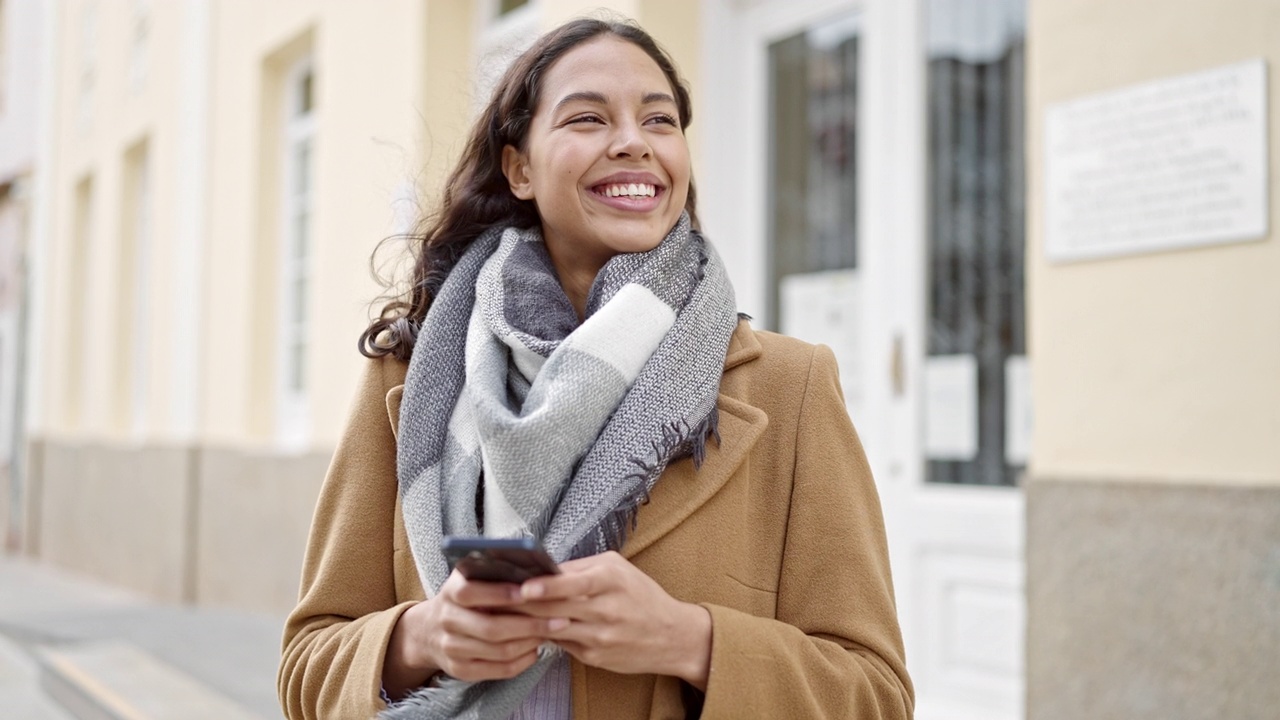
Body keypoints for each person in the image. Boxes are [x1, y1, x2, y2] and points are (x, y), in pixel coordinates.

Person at [278, 16, 913, 720]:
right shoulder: (412, 377)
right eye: (588, 117)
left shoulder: (789, 388)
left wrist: (689, 641)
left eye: (659, 120)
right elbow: (308, 666)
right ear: (519, 167)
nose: (634, 142)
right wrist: (421, 638)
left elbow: (876, 696)